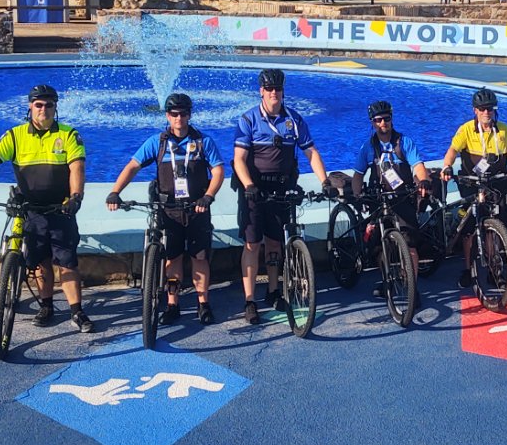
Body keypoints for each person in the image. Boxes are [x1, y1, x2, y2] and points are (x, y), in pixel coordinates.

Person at [0, 84, 93, 333]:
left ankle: (77, 311)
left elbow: (77, 168)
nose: (44, 109)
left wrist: (76, 197)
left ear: (56, 107)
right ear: (30, 106)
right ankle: (47, 306)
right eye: (39, 104)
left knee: (67, 263)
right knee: (40, 262)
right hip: (30, 209)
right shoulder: (15, 135)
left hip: (60, 208)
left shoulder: (68, 135)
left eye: (49, 105)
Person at [105, 93, 224, 324]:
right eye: (174, 114)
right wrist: (115, 192)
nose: (179, 118)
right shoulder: (157, 143)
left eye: (183, 113)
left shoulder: (203, 142)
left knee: (200, 257)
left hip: (196, 208)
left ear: (190, 115)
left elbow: (218, 171)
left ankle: (203, 304)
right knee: (173, 258)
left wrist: (208, 196)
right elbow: (133, 166)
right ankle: (172, 304)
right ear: (167, 116)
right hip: (168, 210)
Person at [232, 69, 336, 325]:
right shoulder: (248, 120)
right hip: (254, 191)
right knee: (252, 245)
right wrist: (248, 185)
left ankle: (273, 292)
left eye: (277, 89)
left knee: (275, 243)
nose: (274, 93)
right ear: (261, 91)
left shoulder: (294, 119)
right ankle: (249, 300)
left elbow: (311, 152)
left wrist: (325, 181)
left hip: (281, 190)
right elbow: (239, 160)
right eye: (269, 89)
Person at [440, 88, 507, 288]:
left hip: (496, 183)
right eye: (483, 109)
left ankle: (495, 270)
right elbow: (452, 150)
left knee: (496, 227)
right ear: (475, 110)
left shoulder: (503, 129)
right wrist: (447, 166)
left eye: (490, 109)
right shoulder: (466, 129)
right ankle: (468, 269)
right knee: (470, 228)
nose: (487, 113)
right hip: (472, 182)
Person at [351, 101, 432, 298]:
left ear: (391, 119)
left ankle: (412, 287)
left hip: (402, 197)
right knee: (378, 244)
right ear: (372, 122)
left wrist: (423, 181)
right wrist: (357, 195)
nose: (383, 123)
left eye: (386, 119)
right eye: (378, 120)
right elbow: (358, 174)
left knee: (410, 243)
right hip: (379, 198)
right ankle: (387, 279)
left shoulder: (404, 142)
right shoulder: (367, 147)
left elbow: (418, 166)